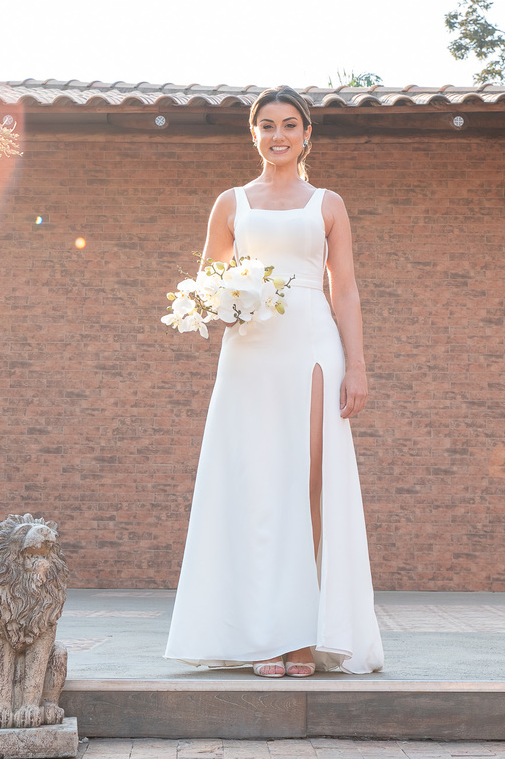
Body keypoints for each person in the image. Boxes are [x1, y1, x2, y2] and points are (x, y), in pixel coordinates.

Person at [164, 86, 384, 677]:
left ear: (307, 135)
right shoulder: (231, 203)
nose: (278, 135)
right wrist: (225, 305)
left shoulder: (328, 205)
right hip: (250, 354)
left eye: (290, 125)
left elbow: (346, 289)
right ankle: (265, 636)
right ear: (254, 133)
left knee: (311, 485)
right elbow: (207, 283)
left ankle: (304, 635)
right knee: (257, 486)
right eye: (267, 125)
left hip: (314, 349)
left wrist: (357, 366)